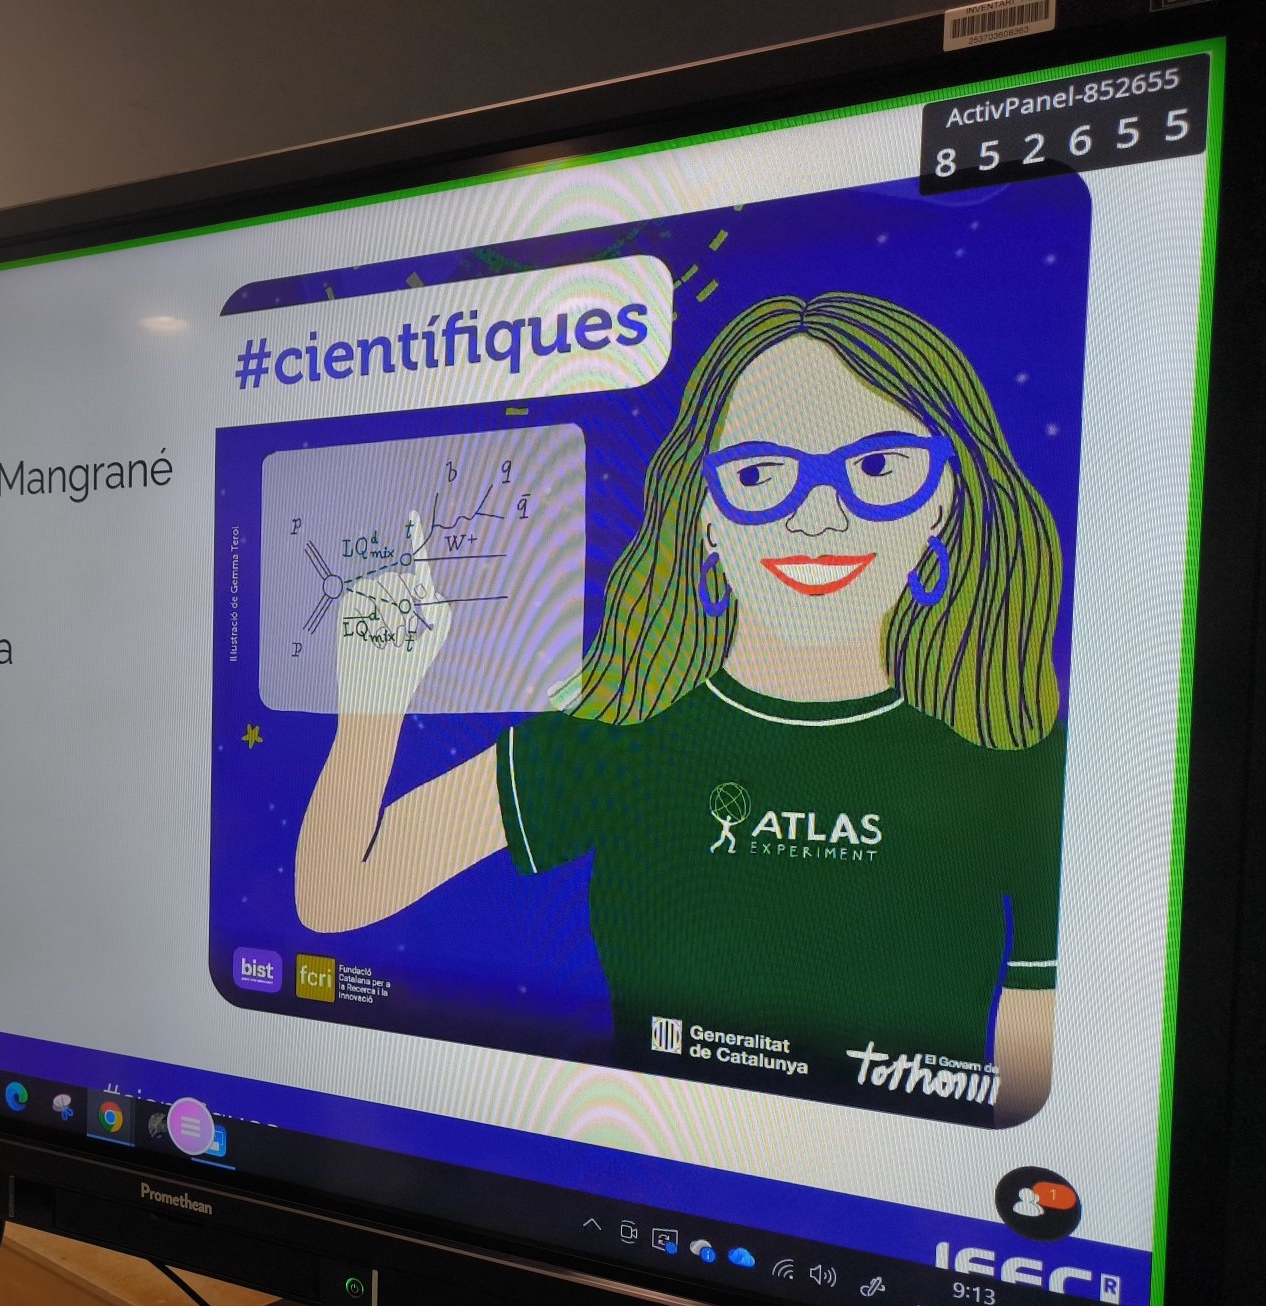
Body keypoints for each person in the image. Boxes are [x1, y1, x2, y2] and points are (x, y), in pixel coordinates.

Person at [294, 293, 1065, 1127]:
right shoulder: (620, 735)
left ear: (945, 498)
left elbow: (1029, 1095)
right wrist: (374, 697)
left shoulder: (1017, 756)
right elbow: (337, 895)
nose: (818, 516)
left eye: (878, 467)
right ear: (704, 515)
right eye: (760, 475)